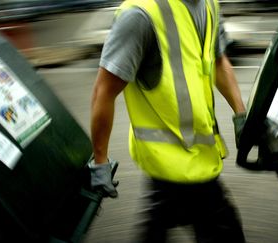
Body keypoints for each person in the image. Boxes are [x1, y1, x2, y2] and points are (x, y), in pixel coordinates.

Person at [89, 0, 247, 242]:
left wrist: (241, 113)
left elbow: (218, 61)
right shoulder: (140, 15)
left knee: (161, 223)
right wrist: (100, 161)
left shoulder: (208, 5)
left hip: (199, 157)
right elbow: (104, 90)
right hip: (170, 163)